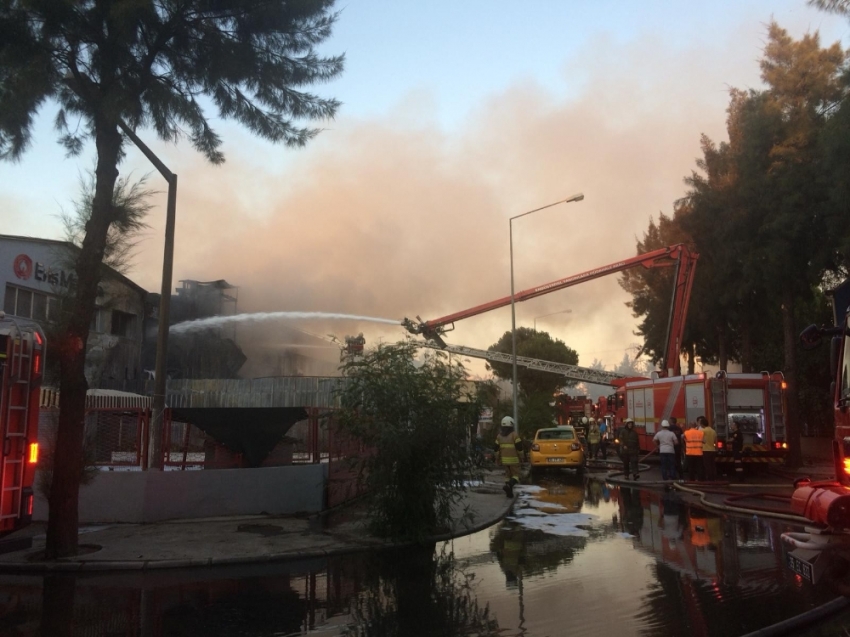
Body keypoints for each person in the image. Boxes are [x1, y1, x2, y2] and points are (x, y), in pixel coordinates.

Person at [495, 416, 523, 497]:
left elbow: (496, 449)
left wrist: (497, 458)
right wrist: (521, 457)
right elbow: (519, 447)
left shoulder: (499, 436)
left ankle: (509, 493)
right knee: (516, 476)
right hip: (514, 460)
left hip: (504, 460)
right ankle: (509, 486)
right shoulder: (514, 435)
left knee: (507, 476)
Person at [700, 415, 717, 481]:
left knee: (707, 465)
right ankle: (714, 478)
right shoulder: (713, 431)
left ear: (702, 424)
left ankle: (709, 478)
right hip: (712, 450)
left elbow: (702, 440)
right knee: (713, 465)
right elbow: (715, 441)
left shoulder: (703, 431)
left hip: (705, 450)